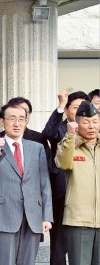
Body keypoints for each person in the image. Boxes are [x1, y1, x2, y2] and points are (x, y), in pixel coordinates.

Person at [0, 103, 53, 264]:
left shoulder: (37, 148)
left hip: (33, 214)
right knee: (4, 261)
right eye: (12, 119)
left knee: (28, 262)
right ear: (2, 121)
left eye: (21, 119)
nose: (17, 123)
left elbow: (45, 184)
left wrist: (47, 216)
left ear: (27, 121)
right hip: (4, 213)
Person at [41, 90, 89, 265]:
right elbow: (47, 133)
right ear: (68, 109)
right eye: (75, 107)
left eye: (83, 107)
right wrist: (60, 105)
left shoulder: (92, 129)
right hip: (63, 191)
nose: (79, 111)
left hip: (86, 193)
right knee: (59, 241)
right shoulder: (60, 129)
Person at [55, 100, 99, 265]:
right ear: (77, 123)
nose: (91, 126)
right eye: (86, 122)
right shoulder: (69, 145)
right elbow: (63, 163)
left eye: (95, 122)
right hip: (78, 220)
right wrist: (71, 137)